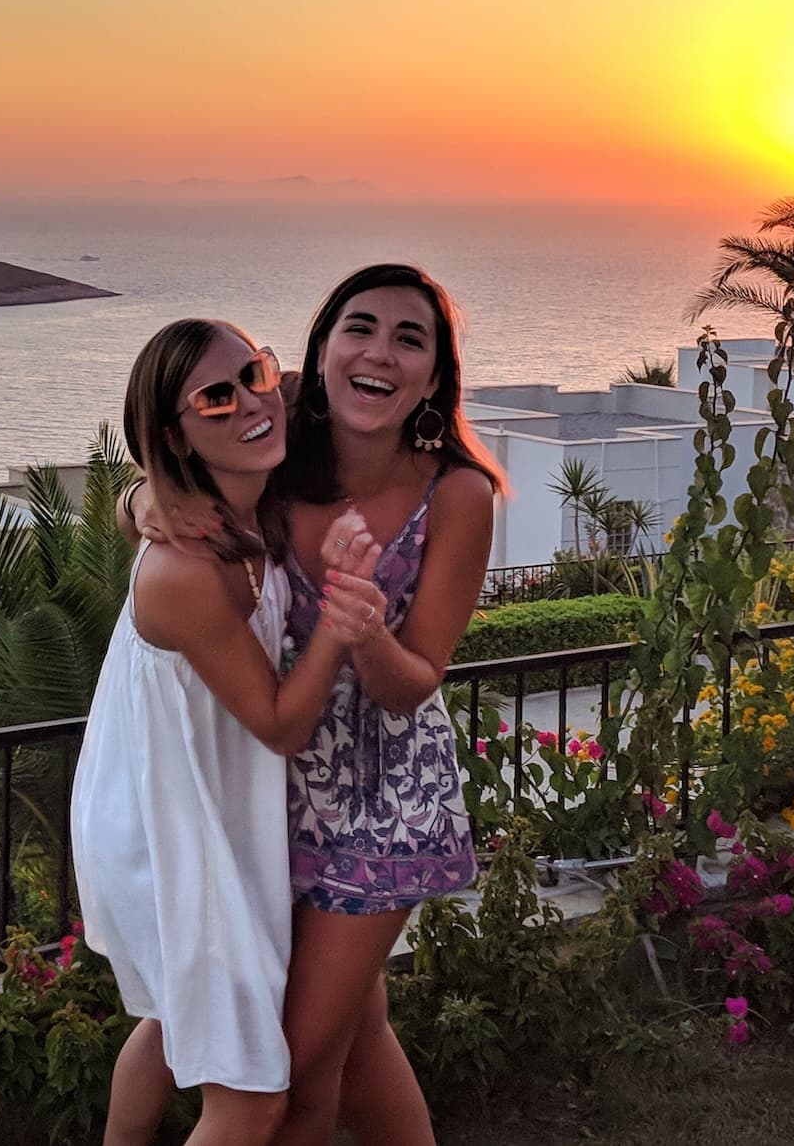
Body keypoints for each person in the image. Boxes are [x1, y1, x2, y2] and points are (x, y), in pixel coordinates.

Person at [128, 265, 502, 1146]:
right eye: (359, 328)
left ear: (436, 375)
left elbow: (416, 685)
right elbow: (174, 462)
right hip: (275, 791)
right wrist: (141, 500)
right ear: (321, 348)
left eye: (411, 339)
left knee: (292, 1074)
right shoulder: (279, 426)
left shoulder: (459, 495)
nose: (380, 353)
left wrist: (362, 625)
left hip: (384, 804)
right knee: (357, 1037)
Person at [72, 318, 389, 1146]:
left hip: (202, 807)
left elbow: (134, 496)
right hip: (169, 832)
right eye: (216, 396)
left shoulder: (246, 497)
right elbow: (282, 725)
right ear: (174, 435)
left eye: (255, 372)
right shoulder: (184, 569)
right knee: (250, 1097)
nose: (252, 400)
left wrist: (140, 494)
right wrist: (342, 614)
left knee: (181, 1022)